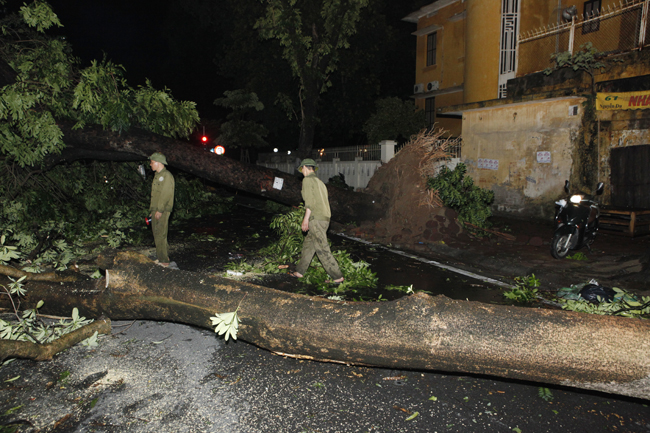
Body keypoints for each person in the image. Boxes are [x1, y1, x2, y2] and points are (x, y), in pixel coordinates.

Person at [290, 158, 344, 283]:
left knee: (322, 248)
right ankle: (300, 271)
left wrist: (306, 219)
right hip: (324, 218)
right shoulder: (320, 183)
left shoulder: (307, 180)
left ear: (305, 168)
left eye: (302, 169)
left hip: (316, 218)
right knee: (309, 245)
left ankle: (337, 277)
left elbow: (310, 202)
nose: (302, 172)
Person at [149, 152, 175, 267]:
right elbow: (155, 195)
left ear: (158, 162)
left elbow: (165, 194)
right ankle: (163, 257)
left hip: (162, 210)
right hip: (157, 209)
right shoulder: (158, 175)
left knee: (160, 234)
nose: (150, 164)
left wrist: (159, 210)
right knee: (157, 233)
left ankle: (164, 261)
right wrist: (153, 210)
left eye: (152, 162)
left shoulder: (167, 176)